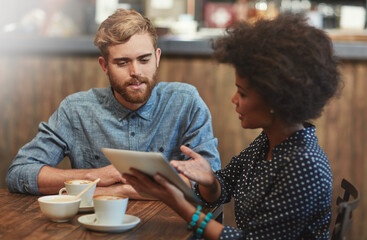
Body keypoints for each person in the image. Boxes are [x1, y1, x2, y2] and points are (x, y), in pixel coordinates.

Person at [123, 14, 342, 239]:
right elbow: (224, 187)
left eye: (243, 93)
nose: (234, 99)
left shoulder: (303, 165)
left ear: (277, 99)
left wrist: (178, 204)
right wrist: (209, 180)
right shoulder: (269, 143)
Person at [6, 9, 221, 198]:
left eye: (144, 60)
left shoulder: (185, 102)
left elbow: (209, 182)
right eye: (122, 62)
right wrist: (95, 175)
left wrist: (117, 190)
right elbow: (20, 173)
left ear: (157, 58)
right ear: (105, 65)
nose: (136, 72)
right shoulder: (76, 110)